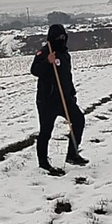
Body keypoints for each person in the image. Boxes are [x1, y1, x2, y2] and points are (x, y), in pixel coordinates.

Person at [30, 24, 87, 176]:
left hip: (64, 99)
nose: (61, 39)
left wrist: (72, 93)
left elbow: (67, 76)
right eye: (58, 37)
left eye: (63, 37)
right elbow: (35, 70)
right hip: (47, 100)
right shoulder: (44, 52)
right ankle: (43, 163)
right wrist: (47, 62)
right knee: (46, 131)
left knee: (78, 120)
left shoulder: (65, 54)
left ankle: (72, 154)